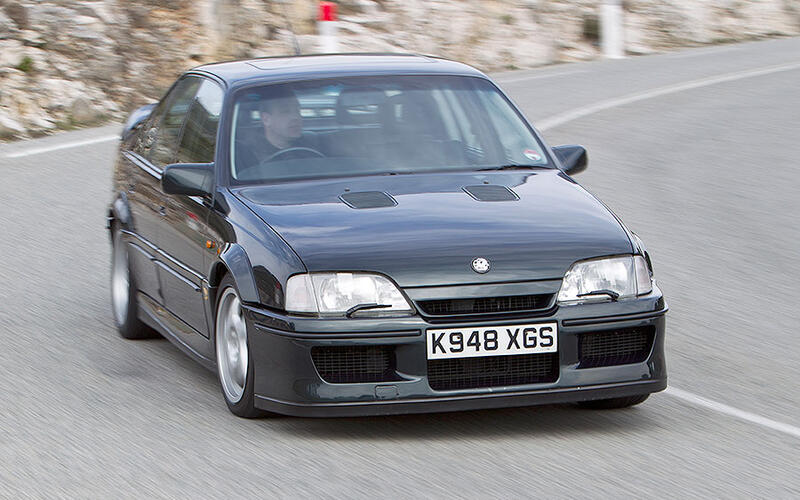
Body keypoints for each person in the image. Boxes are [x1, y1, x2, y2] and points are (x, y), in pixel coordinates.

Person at [235, 87, 320, 170]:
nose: (296, 117)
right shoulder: (248, 155)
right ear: (266, 119)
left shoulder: (311, 144)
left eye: (297, 110)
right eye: (285, 111)